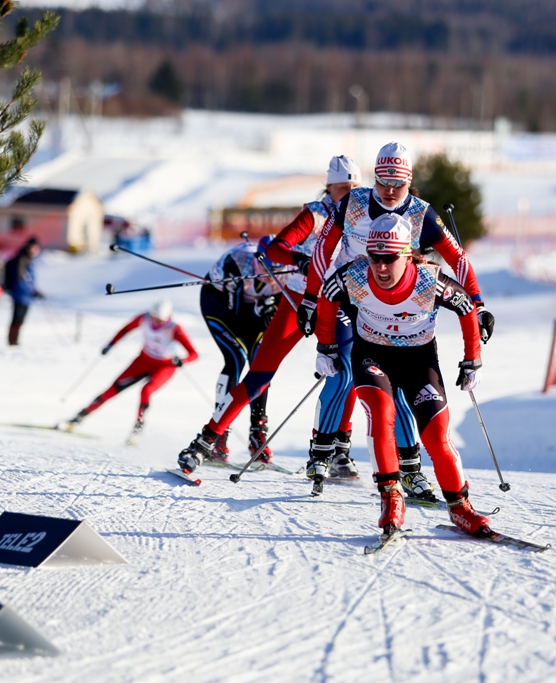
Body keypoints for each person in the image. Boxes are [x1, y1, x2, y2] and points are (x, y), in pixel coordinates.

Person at [297, 141, 493, 502]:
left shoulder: (422, 214)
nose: (388, 190)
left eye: (397, 183)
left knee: (401, 389)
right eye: (382, 180)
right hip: (351, 294)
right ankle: (324, 451)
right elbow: (324, 250)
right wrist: (313, 298)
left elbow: (458, 260)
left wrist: (477, 305)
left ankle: (410, 469)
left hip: (398, 301)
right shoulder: (352, 203)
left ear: (410, 181)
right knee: (340, 373)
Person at [175, 155, 360, 475]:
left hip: (337, 303)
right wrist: (302, 261)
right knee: (260, 375)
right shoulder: (317, 214)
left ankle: (337, 450)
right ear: (328, 188)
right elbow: (275, 250)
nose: (350, 193)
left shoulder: (364, 214)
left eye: (355, 187)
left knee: (350, 370)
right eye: (343, 187)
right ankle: (206, 441)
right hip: (300, 299)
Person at [314, 213, 490, 537]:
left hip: (418, 360)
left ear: (407, 256)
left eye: (389, 259)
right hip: (372, 357)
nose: (380, 267)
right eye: (374, 257)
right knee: (382, 415)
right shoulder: (354, 276)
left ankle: (461, 508)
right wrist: (325, 345)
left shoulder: (429, 280)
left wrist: (472, 359)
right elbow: (326, 296)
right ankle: (391, 497)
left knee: (436, 436)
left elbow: (467, 308)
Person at [62, 298, 199, 439]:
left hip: (165, 366)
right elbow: (125, 330)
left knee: (146, 390)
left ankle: (137, 431)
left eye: (161, 320)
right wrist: (111, 344)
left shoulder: (174, 329)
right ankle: (77, 419)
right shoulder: (144, 318)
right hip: (143, 361)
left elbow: (194, 354)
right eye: (155, 318)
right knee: (112, 390)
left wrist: (182, 360)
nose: (157, 322)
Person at [200, 236, 284, 460]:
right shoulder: (239, 264)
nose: (272, 274)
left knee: (260, 364)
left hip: (250, 309)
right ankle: (218, 435)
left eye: (277, 269)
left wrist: (271, 309)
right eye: (267, 268)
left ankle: (257, 432)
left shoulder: (288, 269)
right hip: (218, 305)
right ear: (259, 259)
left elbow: (282, 303)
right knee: (235, 357)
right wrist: (261, 309)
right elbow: (237, 316)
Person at [4, 237, 42, 345]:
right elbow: (22, 279)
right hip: (20, 295)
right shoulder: (22, 259)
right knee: (17, 319)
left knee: (20, 320)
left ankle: (14, 340)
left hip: (25, 296)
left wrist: (34, 291)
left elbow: (29, 279)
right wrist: (31, 291)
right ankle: (12, 340)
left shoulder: (28, 258)